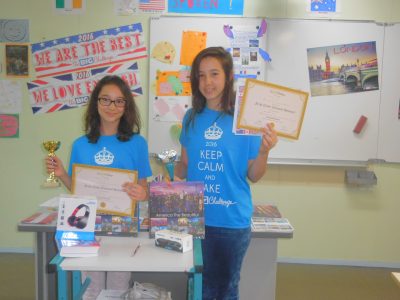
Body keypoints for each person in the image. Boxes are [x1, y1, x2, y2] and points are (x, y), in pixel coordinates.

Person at [175, 47, 278, 300]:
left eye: (214, 74)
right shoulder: (191, 117)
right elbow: (183, 165)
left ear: (228, 76)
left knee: (223, 290)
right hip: (194, 218)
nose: (207, 82)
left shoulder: (247, 119)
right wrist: (168, 182)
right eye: (201, 75)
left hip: (230, 220)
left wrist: (264, 151)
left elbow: (254, 175)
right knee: (197, 286)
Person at [45, 75, 152, 299]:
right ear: (96, 103)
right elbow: (79, 191)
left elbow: (144, 190)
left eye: (119, 101)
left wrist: (143, 193)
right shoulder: (80, 145)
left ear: (126, 106)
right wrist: (62, 174)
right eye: (105, 100)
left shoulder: (137, 143)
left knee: (118, 288)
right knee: (90, 290)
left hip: (123, 229)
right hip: (87, 228)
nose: (112, 107)